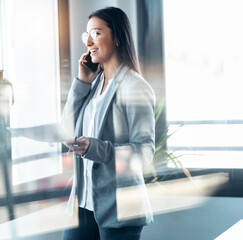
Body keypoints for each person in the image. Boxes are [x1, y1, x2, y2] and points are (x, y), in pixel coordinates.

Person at [61, 7, 156, 240]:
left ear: (117, 38)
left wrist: (95, 148)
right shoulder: (92, 85)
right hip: (84, 203)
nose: (89, 42)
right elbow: (65, 129)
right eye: (87, 36)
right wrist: (81, 83)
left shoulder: (136, 87)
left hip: (120, 207)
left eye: (96, 33)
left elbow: (144, 153)